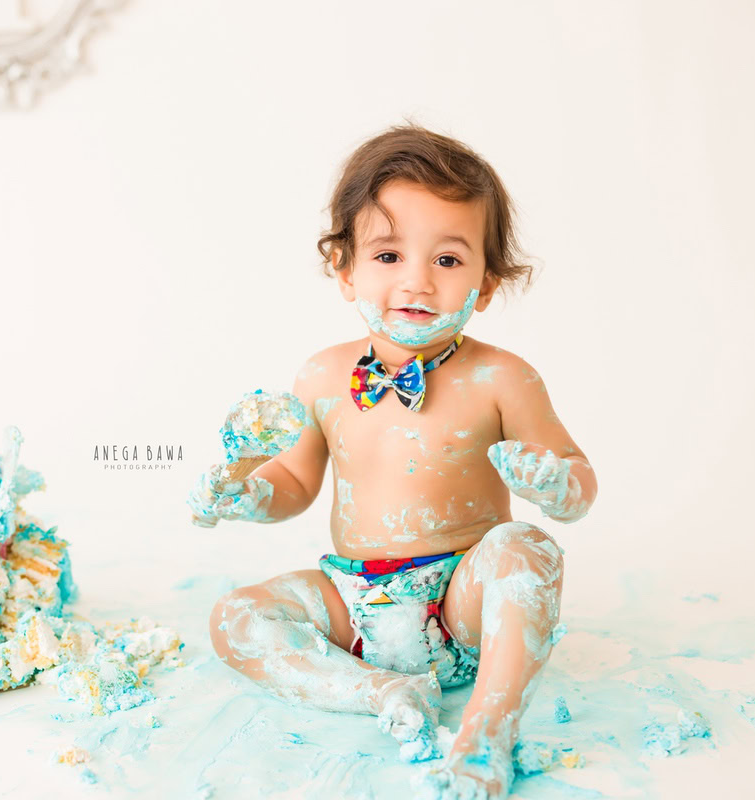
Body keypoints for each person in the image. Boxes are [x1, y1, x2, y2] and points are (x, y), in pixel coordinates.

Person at [188, 122, 597, 800]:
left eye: (447, 259)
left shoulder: (502, 378)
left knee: (527, 548)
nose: (416, 280)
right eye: (387, 256)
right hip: (353, 602)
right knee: (235, 616)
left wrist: (557, 486)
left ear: (486, 284)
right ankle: (378, 691)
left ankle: (487, 727)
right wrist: (249, 492)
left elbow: (577, 477)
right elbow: (292, 480)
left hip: (461, 601)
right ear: (344, 269)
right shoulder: (320, 377)